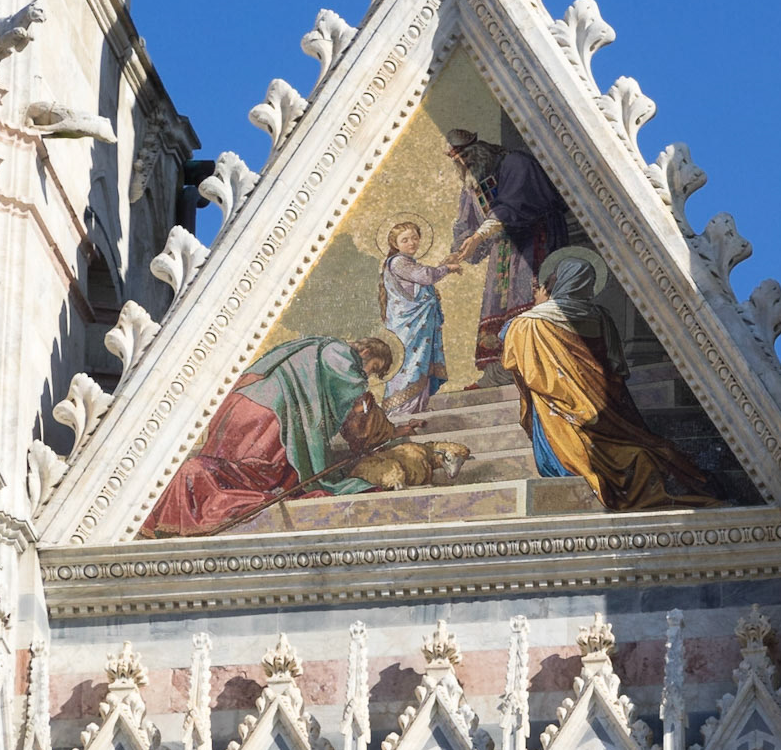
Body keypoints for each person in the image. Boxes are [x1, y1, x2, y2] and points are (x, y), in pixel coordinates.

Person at [501, 255, 720, 512]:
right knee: (642, 453)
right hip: (606, 412)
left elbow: (517, 360)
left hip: (560, 412)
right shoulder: (601, 317)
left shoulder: (528, 323)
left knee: (616, 454)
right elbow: (616, 369)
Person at [143, 336, 402, 535]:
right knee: (263, 474)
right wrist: (387, 432)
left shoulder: (313, 345)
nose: (367, 374)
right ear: (366, 351)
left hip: (240, 404)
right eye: (373, 367)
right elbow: (353, 395)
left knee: (233, 471)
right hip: (268, 411)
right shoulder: (340, 352)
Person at [445, 128, 569, 379]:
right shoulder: (472, 183)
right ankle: (501, 369)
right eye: (457, 161)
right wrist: (459, 249)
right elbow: (465, 223)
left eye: (466, 157)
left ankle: (536, 364)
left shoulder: (515, 163)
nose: (463, 164)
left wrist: (478, 236)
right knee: (498, 306)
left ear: (479, 151)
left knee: (528, 297)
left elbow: (514, 206)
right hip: (502, 252)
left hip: (533, 241)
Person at [378, 220, 462, 420]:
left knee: (421, 361)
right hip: (408, 325)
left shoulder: (407, 262)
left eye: (415, 238)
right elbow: (425, 276)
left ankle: (418, 407)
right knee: (411, 362)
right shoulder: (398, 262)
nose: (411, 243)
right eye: (405, 240)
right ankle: (402, 409)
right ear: (395, 244)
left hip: (417, 324)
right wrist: (447, 268)